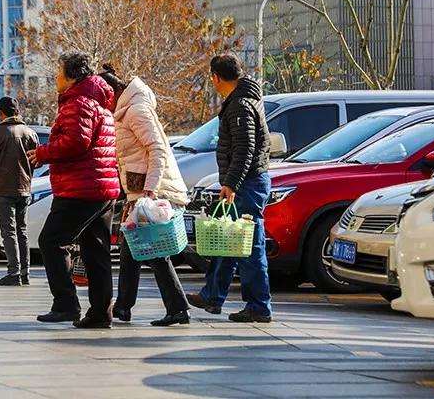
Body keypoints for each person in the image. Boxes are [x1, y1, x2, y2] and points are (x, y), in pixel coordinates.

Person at [27, 52, 120, 328]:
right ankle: (100, 312)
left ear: (70, 76)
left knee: (51, 241)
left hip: (81, 187)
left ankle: (66, 304)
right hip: (101, 187)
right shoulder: (98, 102)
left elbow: (76, 142)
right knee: (96, 249)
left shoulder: (78, 102)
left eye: (58, 71)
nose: (55, 77)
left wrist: (43, 152)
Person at [98, 65, 191, 327]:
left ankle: (178, 308)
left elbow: (158, 151)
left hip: (153, 191)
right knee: (130, 250)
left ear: (114, 92)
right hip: (138, 192)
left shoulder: (136, 110)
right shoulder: (126, 111)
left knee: (152, 250)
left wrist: (149, 192)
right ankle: (123, 308)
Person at [185, 53, 273, 323]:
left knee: (249, 248)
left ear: (216, 77)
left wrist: (231, 184)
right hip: (248, 181)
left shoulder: (240, 105)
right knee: (229, 241)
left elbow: (245, 149)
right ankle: (212, 295)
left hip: (248, 183)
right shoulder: (245, 99)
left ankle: (258, 307)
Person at [0, 96, 39, 287]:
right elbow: (36, 160)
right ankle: (25, 272)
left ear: (0, 112)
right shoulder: (30, 132)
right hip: (25, 187)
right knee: (22, 230)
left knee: (9, 230)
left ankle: (13, 272)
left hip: (5, 187)